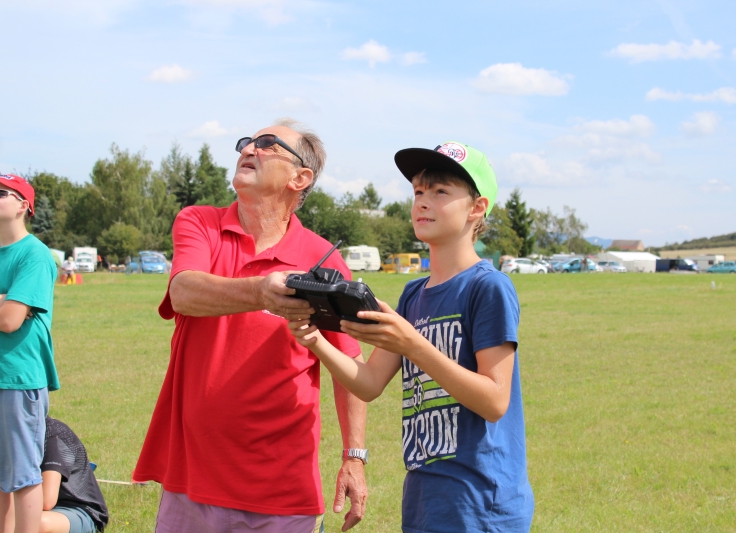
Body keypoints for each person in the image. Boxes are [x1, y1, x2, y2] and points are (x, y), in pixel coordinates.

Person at [133, 120, 368, 533]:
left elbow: (348, 363)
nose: (248, 149)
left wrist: (354, 457)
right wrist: (261, 292)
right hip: (191, 480)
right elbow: (183, 292)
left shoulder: (321, 257)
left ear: (300, 178)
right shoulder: (199, 222)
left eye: (267, 144)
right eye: (247, 142)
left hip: (282, 487)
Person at [288, 142, 535, 532]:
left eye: (440, 191)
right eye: (418, 191)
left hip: (481, 504)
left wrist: (412, 344)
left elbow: (494, 401)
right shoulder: (413, 295)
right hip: (425, 500)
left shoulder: (488, 287)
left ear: (477, 207)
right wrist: (314, 339)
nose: (423, 202)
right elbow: (368, 384)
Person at [0, 174, 60, 533]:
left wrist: (6, 306)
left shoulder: (35, 255)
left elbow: (9, 320)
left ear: (23, 206)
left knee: (22, 475)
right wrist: (3, 300)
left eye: (0, 193)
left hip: (17, 378)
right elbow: (6, 312)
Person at [38, 416, 108, 533]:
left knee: (38, 524)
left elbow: (46, 501)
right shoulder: (7, 436)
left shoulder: (51, 433)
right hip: (35, 508)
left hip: (76, 509)